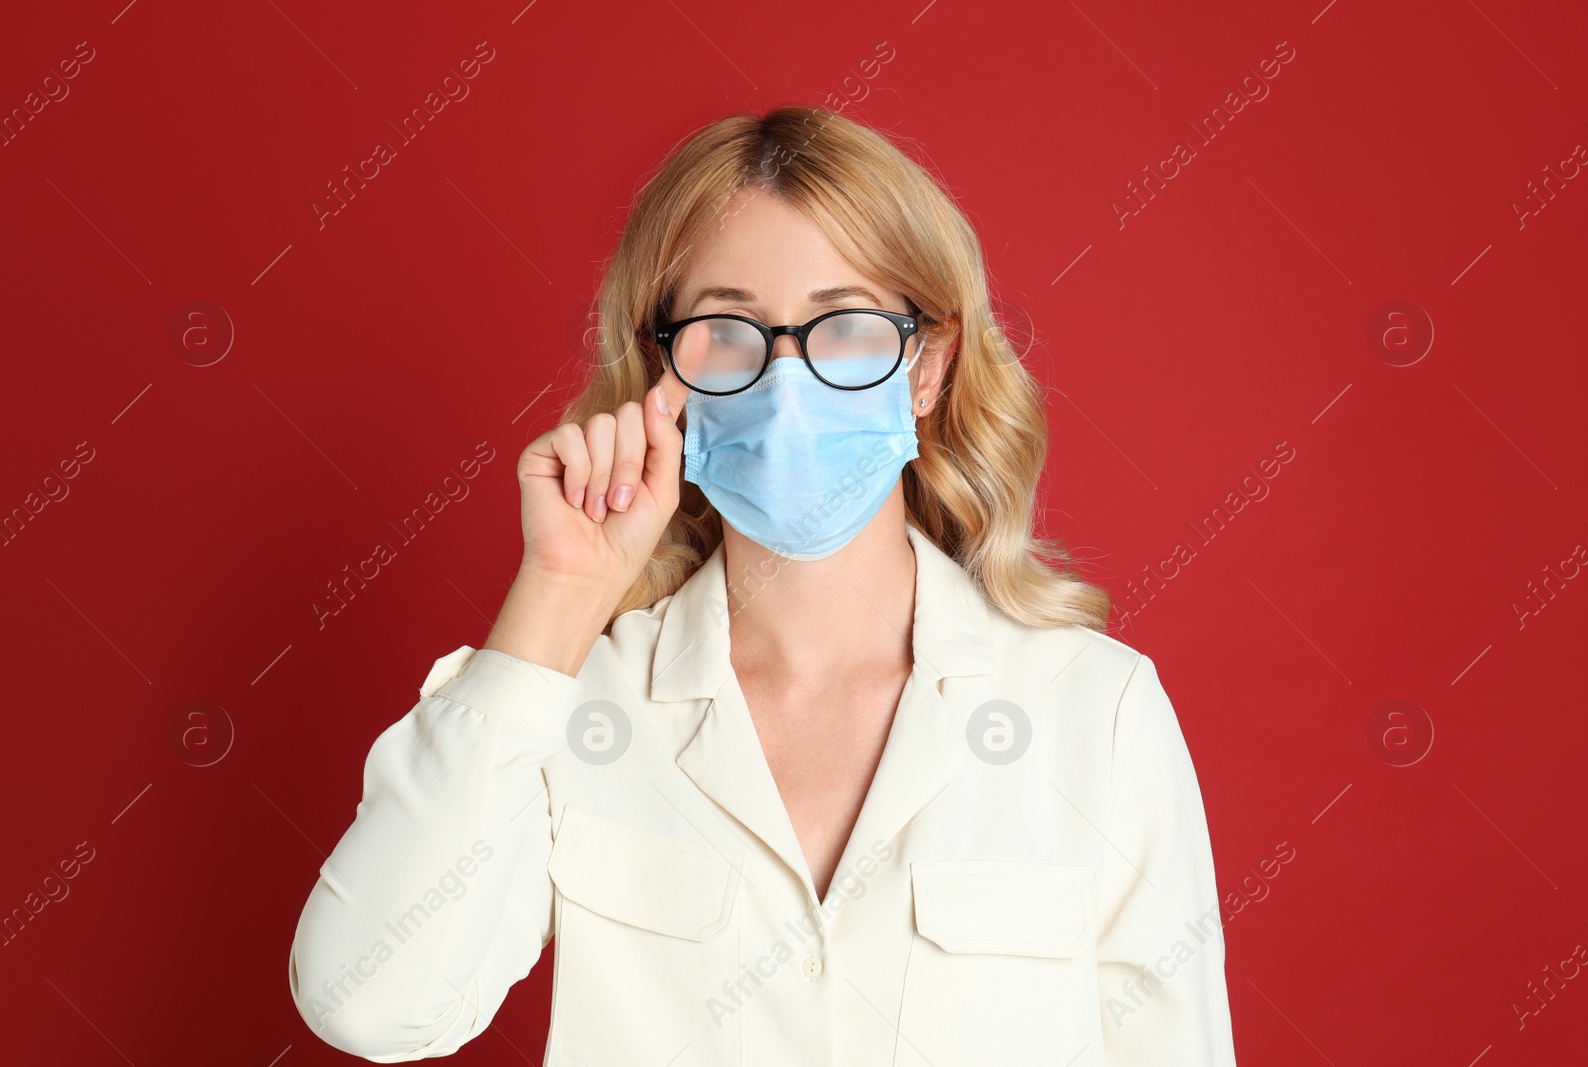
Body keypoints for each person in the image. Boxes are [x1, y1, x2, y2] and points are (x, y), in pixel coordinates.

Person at [288, 105, 1237, 1066]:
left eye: (845, 325)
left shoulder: (1095, 709)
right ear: (666, 371)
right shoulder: (582, 704)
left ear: (930, 365)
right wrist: (560, 597)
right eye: (727, 329)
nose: (787, 382)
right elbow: (367, 1000)